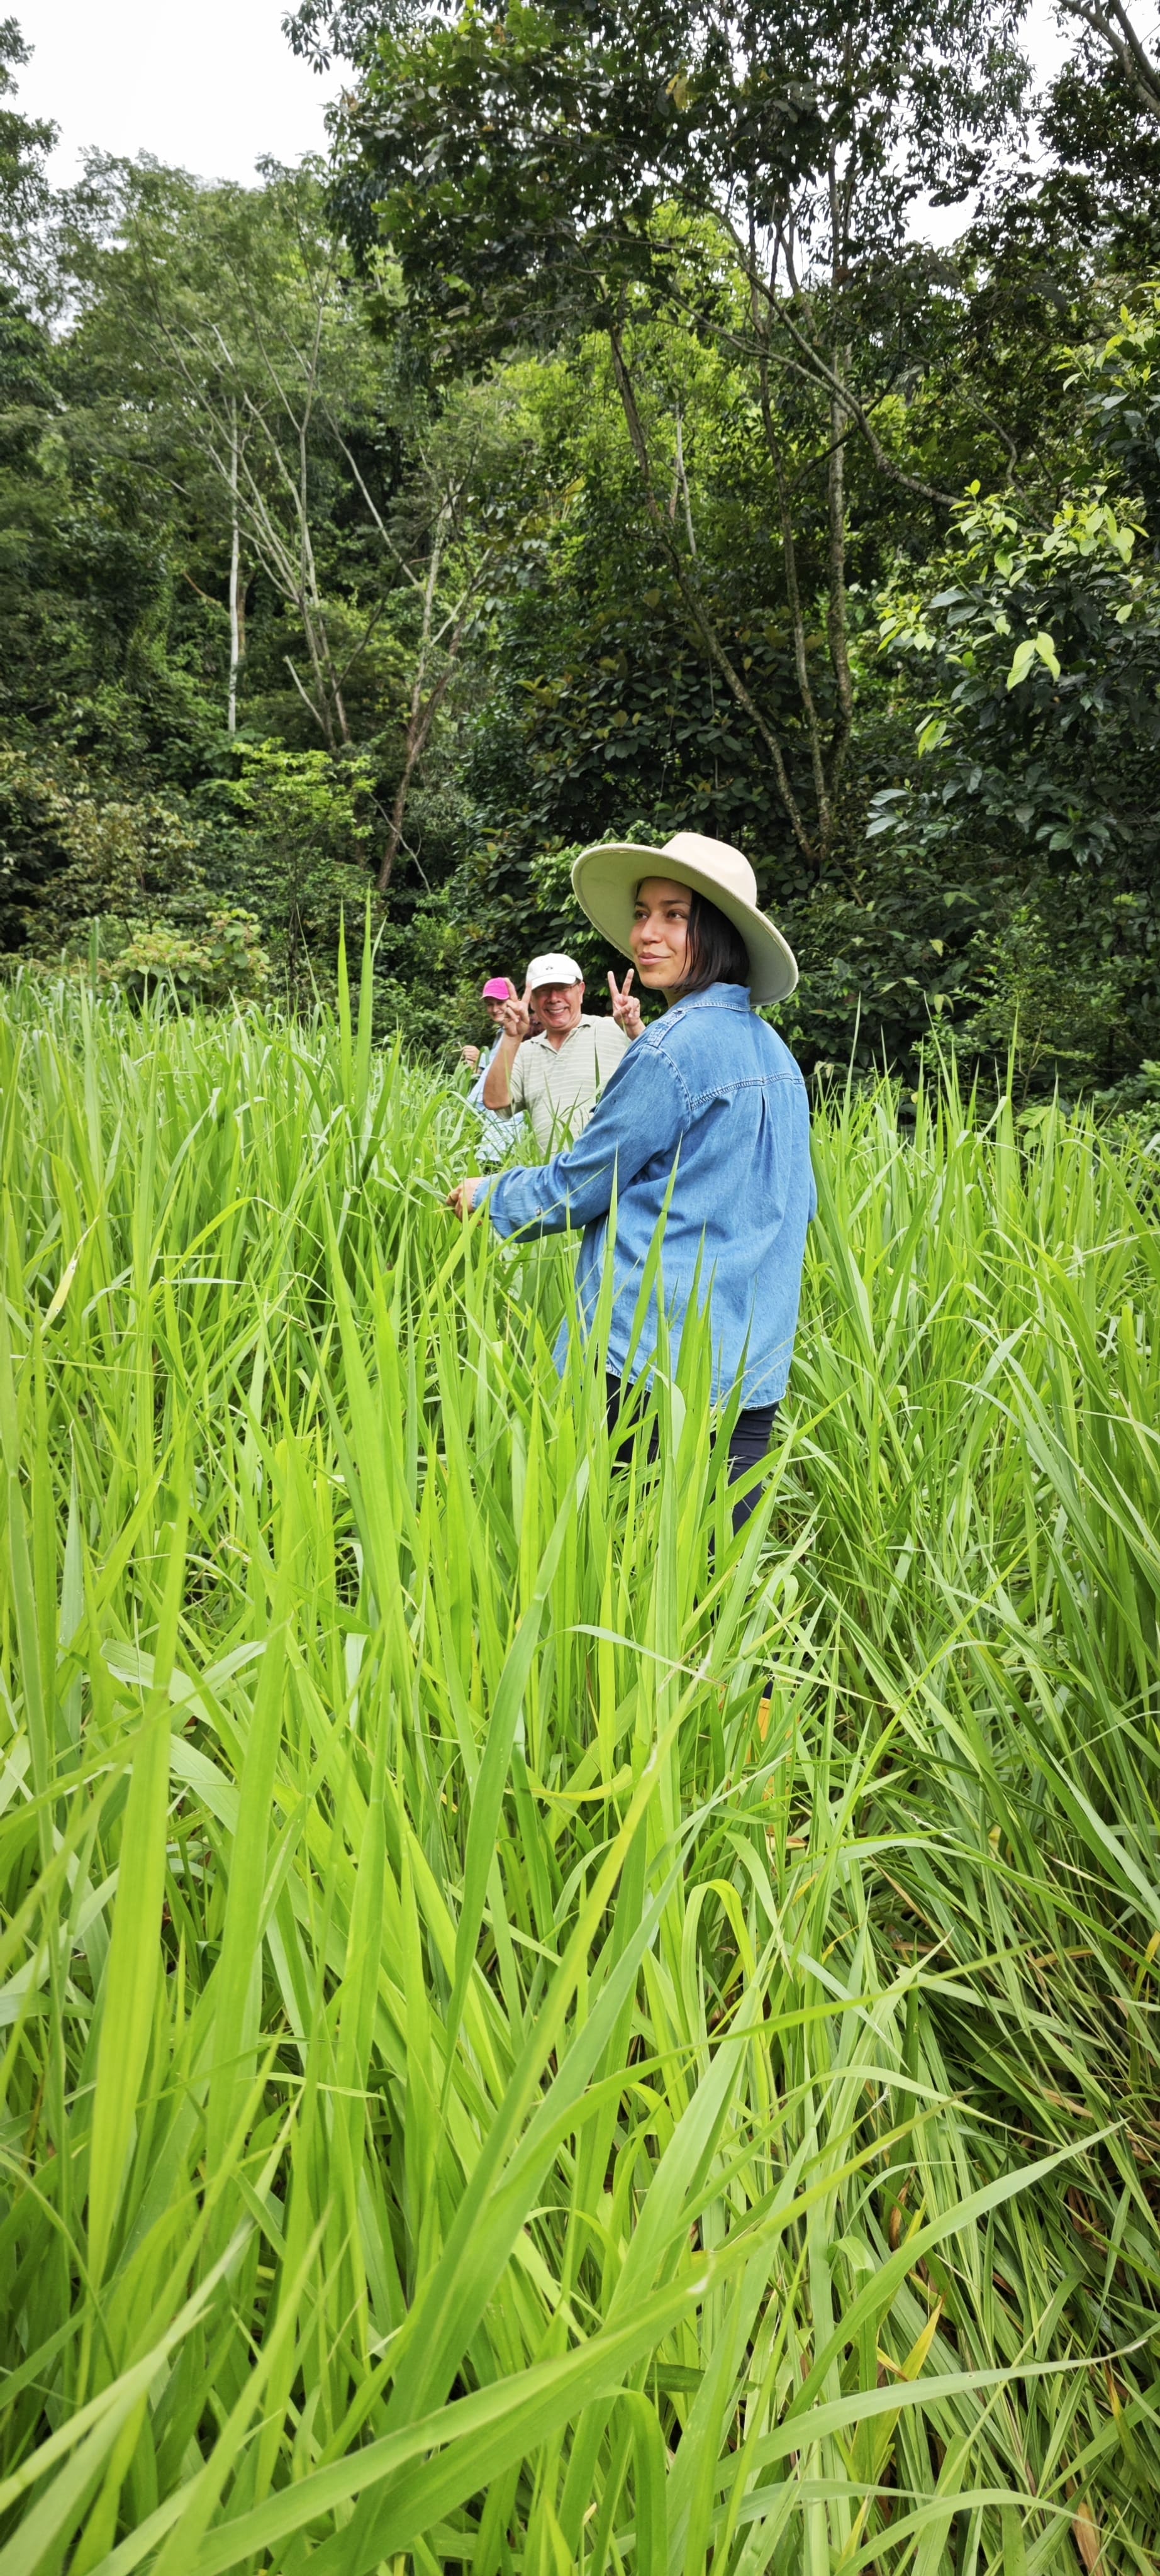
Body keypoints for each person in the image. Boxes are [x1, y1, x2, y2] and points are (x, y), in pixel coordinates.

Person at [449, 832, 815, 1530]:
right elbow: (799, 1203)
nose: (646, 933)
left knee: (614, 1551)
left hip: (647, 1359)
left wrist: (487, 1195)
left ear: (720, 930)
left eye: (675, 915)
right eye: (643, 913)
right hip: (751, 1358)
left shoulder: (670, 1048)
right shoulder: (776, 1054)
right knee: (716, 1563)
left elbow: (581, 1184)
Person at [481, 952, 632, 1156]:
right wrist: (512, 1037)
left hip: (613, 1169)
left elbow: (663, 1073)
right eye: (543, 991)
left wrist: (635, 1028)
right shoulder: (525, 1052)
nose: (553, 998)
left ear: (580, 991)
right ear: (532, 1001)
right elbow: (495, 1101)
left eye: (562, 988)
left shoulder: (615, 1029)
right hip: (551, 1174)